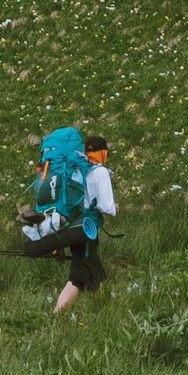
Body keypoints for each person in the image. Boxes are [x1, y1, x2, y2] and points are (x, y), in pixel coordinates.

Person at [55, 133, 117, 319]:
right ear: (103, 153)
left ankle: (105, 314)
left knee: (96, 274)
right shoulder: (100, 172)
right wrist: (114, 208)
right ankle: (57, 315)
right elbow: (106, 205)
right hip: (88, 230)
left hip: (73, 228)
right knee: (78, 276)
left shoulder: (78, 170)